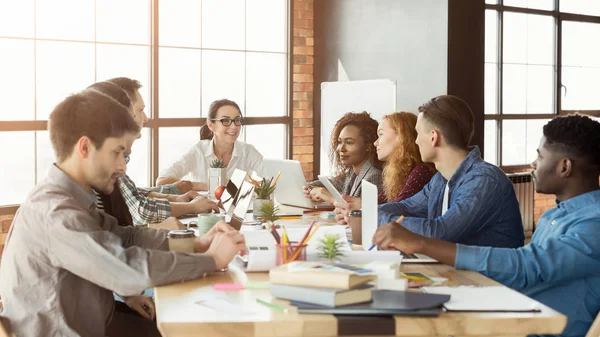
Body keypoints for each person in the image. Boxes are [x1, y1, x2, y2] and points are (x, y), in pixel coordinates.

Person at [0, 89, 247, 337]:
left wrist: (197, 243)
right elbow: (127, 268)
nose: (122, 167)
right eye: (117, 153)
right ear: (84, 147)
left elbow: (124, 237)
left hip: (100, 315)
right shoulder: (58, 213)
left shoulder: (71, 196)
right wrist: (211, 260)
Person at [373, 114, 600, 337]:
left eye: (540, 157)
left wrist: (421, 243)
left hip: (533, 329)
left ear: (564, 167)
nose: (533, 163)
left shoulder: (593, 223)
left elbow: (526, 266)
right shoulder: (557, 215)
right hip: (511, 314)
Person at [378, 95, 524, 248]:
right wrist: (368, 213)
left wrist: (380, 219)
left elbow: (440, 233)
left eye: (418, 134)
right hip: (456, 271)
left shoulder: (485, 180)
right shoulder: (440, 179)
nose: (416, 141)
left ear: (433, 137)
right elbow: (407, 207)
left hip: (486, 272)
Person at [102, 78, 209, 225]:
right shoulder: (105, 161)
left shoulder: (114, 158)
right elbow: (140, 211)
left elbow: (131, 193)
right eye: (140, 110)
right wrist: (191, 207)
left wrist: (175, 195)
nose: (145, 118)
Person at [333, 112, 436, 225]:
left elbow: (399, 208)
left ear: (401, 137)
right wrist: (353, 208)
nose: (375, 143)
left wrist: (361, 209)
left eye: (380, 135)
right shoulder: (398, 172)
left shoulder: (421, 171)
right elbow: (381, 201)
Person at [157, 99, 265, 191]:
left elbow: (272, 180)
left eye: (237, 120)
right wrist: (204, 186)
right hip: (203, 213)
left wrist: (241, 187)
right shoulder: (198, 151)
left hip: (239, 213)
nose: (234, 126)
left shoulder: (247, 151)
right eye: (225, 120)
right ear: (211, 125)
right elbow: (162, 181)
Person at [304, 111, 384, 204]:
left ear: (368, 146)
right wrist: (307, 187)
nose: (341, 149)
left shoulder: (374, 176)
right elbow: (331, 184)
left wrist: (331, 198)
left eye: (349, 142)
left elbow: (364, 213)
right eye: (339, 142)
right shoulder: (353, 172)